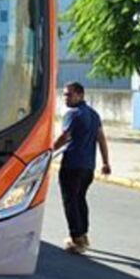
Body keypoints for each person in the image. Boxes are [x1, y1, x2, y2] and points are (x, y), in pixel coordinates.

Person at [54, 82, 111, 254]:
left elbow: (65, 136)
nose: (66, 98)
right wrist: (105, 162)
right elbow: (101, 138)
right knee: (80, 199)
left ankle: (77, 239)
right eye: (64, 94)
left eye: (69, 94)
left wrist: (48, 150)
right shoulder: (94, 115)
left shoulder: (73, 114)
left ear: (80, 95)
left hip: (72, 165)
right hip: (88, 167)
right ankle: (83, 235)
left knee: (70, 201)